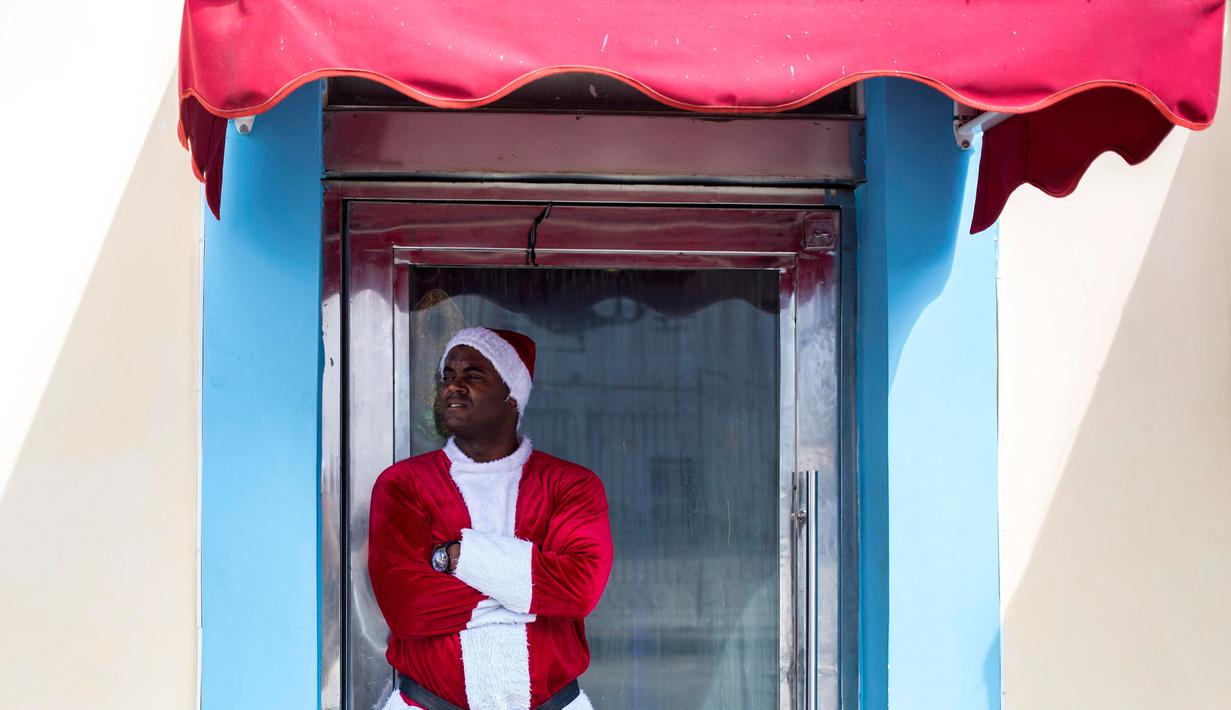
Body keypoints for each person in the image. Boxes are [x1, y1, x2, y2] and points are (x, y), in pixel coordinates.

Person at [369, 326, 614, 710]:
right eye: (448, 376)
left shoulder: (572, 485)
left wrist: (458, 557)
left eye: (473, 375)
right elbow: (408, 607)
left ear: (512, 395)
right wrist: (528, 593)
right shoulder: (403, 484)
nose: (454, 386)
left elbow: (579, 589)